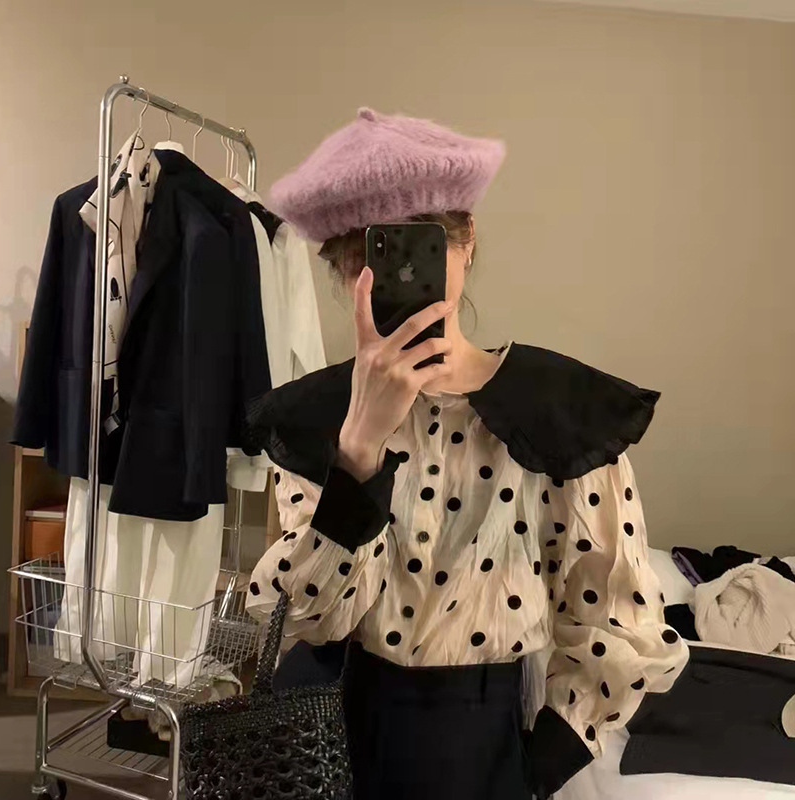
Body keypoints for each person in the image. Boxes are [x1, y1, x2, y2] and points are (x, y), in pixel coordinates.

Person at [244, 107, 689, 800]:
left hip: (483, 742)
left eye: (415, 244)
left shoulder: (559, 413)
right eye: (363, 252)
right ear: (340, 269)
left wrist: (541, 762)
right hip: (326, 729)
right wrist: (359, 449)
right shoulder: (313, 417)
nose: (390, 273)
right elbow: (301, 617)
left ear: (467, 240)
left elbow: (618, 619)